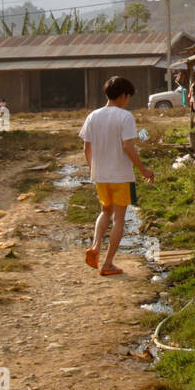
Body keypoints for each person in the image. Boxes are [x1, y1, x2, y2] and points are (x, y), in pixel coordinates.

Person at [79, 75, 154, 276]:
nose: (127, 101)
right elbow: (128, 146)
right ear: (122, 96)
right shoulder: (125, 117)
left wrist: (93, 168)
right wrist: (143, 169)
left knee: (105, 211)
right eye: (128, 97)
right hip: (121, 175)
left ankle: (95, 245)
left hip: (101, 175)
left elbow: (87, 147)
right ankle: (108, 263)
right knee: (119, 219)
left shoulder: (93, 116)